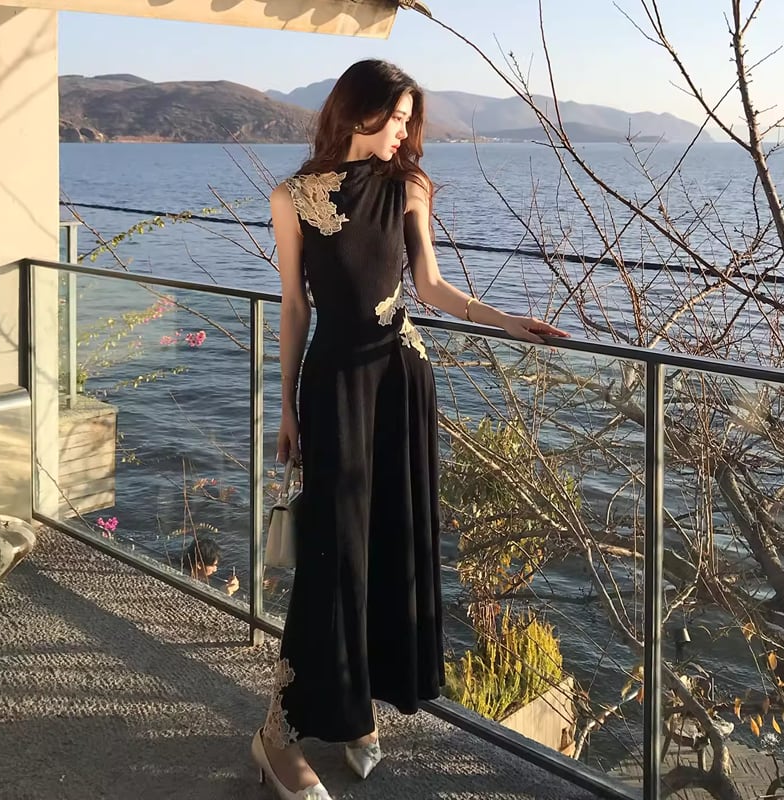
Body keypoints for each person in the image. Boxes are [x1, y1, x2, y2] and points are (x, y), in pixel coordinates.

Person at [252, 59, 569, 800]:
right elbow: (295, 306)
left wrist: (506, 321)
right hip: (335, 386)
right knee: (333, 555)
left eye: (407, 119)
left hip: (400, 381)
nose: (404, 131)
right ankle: (276, 733)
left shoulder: (410, 187)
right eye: (394, 117)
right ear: (357, 110)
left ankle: (358, 709)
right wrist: (287, 404)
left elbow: (429, 286)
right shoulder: (293, 197)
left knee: (388, 545)